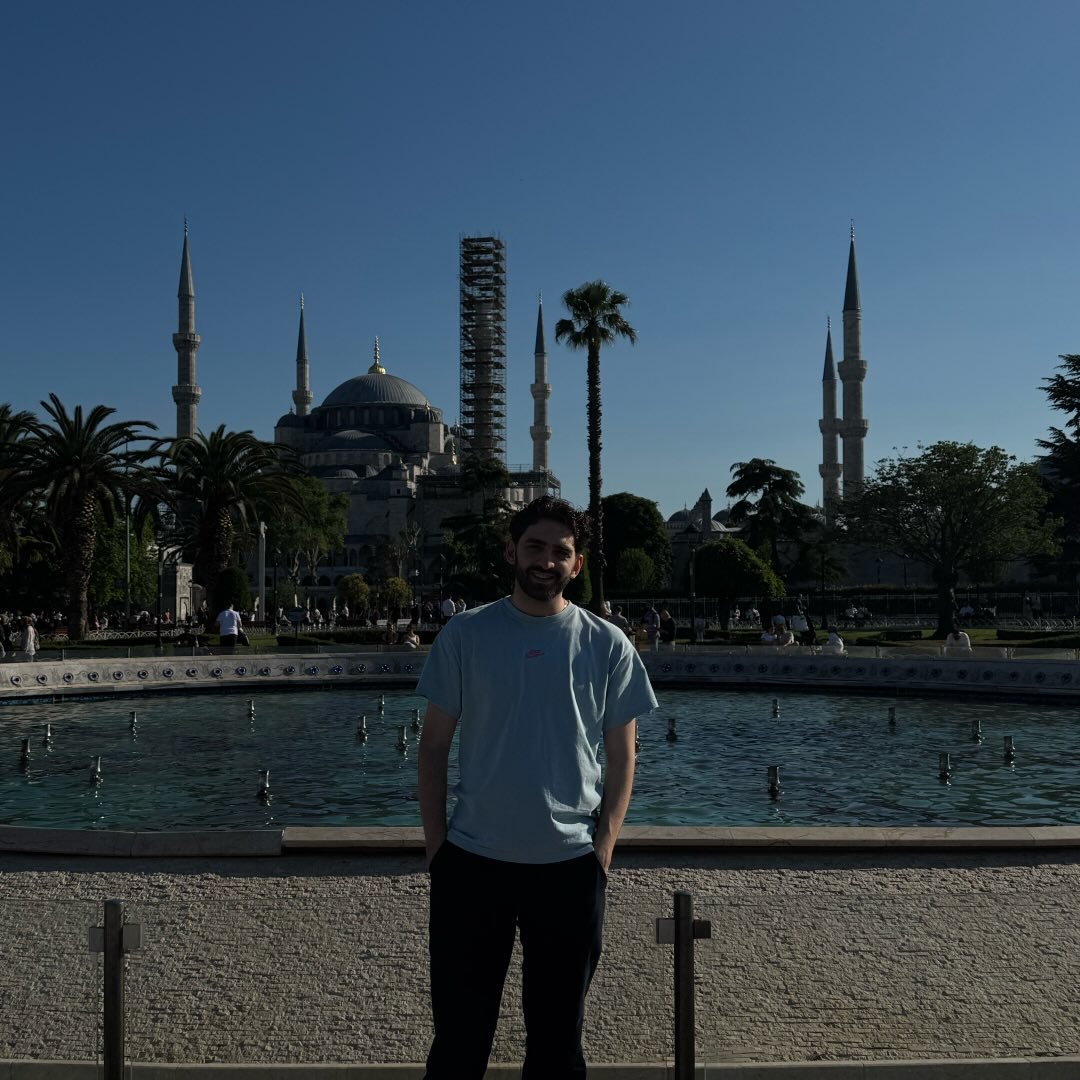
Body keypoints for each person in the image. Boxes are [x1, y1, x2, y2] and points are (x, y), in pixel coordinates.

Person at [416, 495, 657, 1079]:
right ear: (511, 552)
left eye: (560, 551)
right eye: (535, 547)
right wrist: (437, 850)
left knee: (557, 1043)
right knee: (459, 1041)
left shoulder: (607, 643)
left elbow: (622, 756)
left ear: (577, 564)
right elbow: (433, 747)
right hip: (472, 863)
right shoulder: (466, 634)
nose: (546, 561)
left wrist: (604, 847)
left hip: (569, 866)